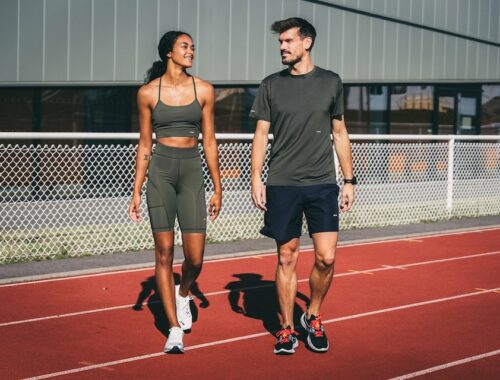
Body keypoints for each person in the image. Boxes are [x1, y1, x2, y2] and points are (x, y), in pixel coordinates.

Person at [250, 18, 356, 355]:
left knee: (326, 258)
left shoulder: (331, 82)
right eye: (280, 42)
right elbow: (261, 134)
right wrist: (255, 177)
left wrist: (349, 180)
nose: (282, 47)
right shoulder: (270, 85)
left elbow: (339, 132)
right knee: (286, 258)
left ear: (306, 42)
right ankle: (285, 328)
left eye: (288, 41)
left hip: (323, 183)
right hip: (282, 183)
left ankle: (312, 314)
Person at [129, 31, 222, 354]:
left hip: (192, 173)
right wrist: (137, 190)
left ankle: (184, 293)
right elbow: (144, 144)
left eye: (193, 47)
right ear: (168, 52)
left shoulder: (205, 90)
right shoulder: (147, 94)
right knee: (165, 252)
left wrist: (217, 187)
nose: (191, 51)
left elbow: (209, 142)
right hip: (161, 174)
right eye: (185, 46)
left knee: (195, 258)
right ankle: (173, 328)